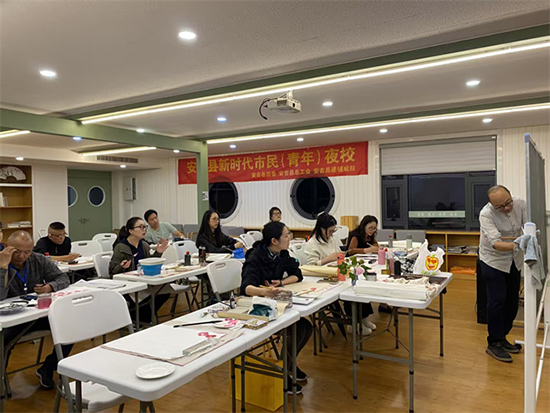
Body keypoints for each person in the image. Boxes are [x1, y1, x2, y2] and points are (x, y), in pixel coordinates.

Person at [240, 221, 312, 395]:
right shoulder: (256, 256)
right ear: (274, 240)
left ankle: (287, 366)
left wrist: (281, 282)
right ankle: (283, 373)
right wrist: (266, 292)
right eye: (286, 236)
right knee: (296, 329)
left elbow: (298, 275)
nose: (289, 238)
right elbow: (246, 288)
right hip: (257, 308)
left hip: (275, 304)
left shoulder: (281, 254)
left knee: (306, 327)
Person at [0, 231, 72, 389]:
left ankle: (48, 368)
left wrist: (49, 287)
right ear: (7, 247)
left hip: (35, 315)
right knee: (3, 341)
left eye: (27, 252)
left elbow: (63, 278)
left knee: (69, 327)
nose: (22, 256)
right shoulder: (1, 261)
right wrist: (3, 266)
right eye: (17, 251)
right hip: (10, 320)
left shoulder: (37, 259)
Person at [305, 213, 376, 334]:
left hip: (337, 272)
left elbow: (339, 253)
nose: (332, 233)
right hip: (324, 277)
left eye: (334, 230)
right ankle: (353, 323)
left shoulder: (332, 239)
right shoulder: (312, 243)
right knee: (350, 291)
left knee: (358, 285)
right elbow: (311, 267)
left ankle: (363, 318)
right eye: (330, 231)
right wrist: (328, 259)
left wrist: (342, 256)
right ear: (322, 228)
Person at [479, 185, 526, 363]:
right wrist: (521, 244)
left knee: (512, 301)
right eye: (501, 207)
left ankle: (502, 337)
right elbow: (496, 244)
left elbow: (528, 226)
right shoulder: (486, 214)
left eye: (508, 203)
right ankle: (493, 342)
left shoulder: (520, 204)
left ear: (511, 196)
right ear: (492, 205)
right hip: (493, 260)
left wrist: (529, 239)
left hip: (513, 259)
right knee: (497, 301)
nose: (507, 208)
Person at [109, 217, 170, 323]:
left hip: (144, 281)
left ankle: (143, 319)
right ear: (131, 231)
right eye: (140, 227)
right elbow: (112, 271)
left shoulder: (144, 245)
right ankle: (139, 319)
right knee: (153, 294)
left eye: (144, 227)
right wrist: (122, 266)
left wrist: (158, 253)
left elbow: (149, 263)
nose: (144, 229)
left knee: (165, 290)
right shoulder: (121, 247)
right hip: (129, 284)